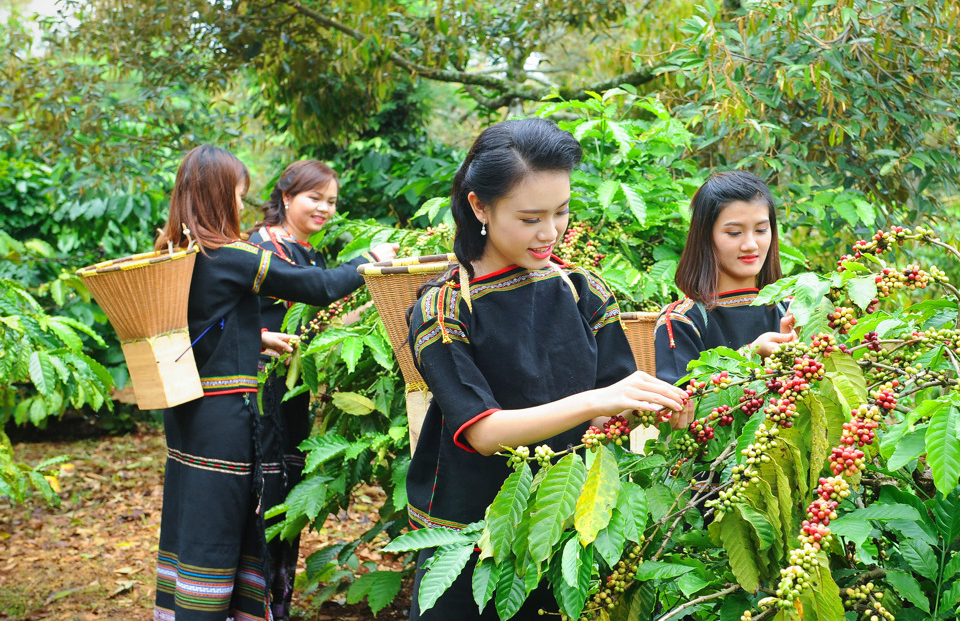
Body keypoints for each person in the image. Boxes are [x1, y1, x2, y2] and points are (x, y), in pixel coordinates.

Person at [405, 118, 694, 620]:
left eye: (561, 212)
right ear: (479, 206)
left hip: (571, 524)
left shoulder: (582, 289)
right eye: (530, 217)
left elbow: (612, 406)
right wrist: (597, 402)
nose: (550, 232)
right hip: (472, 535)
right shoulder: (444, 308)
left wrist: (658, 409)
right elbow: (484, 432)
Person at [152, 145, 390, 621]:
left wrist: (255, 339)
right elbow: (319, 288)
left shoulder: (175, 253)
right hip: (225, 419)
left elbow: (203, 324)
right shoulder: (233, 255)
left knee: (192, 518)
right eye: (237, 196)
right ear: (218, 197)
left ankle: (186, 609)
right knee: (223, 523)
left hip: (185, 413)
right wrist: (371, 258)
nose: (241, 207)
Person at [247, 159, 397, 620]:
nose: (325, 208)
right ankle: (249, 603)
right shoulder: (260, 248)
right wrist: (368, 263)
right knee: (266, 491)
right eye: (315, 197)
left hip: (295, 392)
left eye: (331, 201)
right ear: (287, 196)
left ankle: (278, 602)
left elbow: (323, 320)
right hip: (259, 388)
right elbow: (322, 291)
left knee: (290, 487)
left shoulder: (310, 253)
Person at [654, 171, 796, 386]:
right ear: (705, 237)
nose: (750, 244)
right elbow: (679, 404)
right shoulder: (682, 319)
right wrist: (749, 354)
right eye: (734, 233)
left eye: (761, 230)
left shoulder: (791, 310)